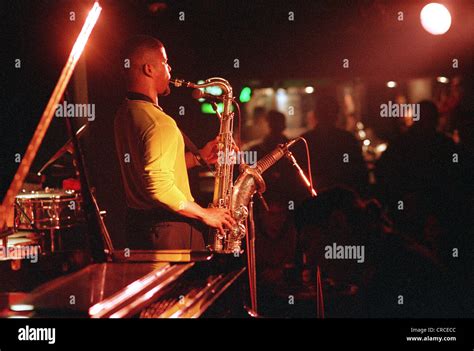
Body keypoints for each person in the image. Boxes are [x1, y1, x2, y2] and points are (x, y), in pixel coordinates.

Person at [114, 35, 235, 250]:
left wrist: (199, 158)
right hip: (170, 232)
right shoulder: (160, 123)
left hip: (139, 229)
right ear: (149, 69)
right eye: (165, 62)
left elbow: (148, 170)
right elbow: (158, 186)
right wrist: (205, 214)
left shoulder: (125, 113)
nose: (170, 69)